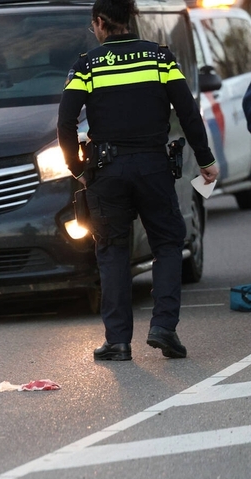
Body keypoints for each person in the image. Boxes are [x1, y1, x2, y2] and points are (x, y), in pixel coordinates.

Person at [57, 0, 219, 362]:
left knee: (112, 251)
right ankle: (164, 327)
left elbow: (66, 124)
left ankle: (117, 342)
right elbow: (188, 111)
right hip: (153, 167)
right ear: (129, 19)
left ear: (100, 22)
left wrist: (78, 170)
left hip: (107, 172)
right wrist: (206, 160)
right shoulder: (160, 59)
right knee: (167, 243)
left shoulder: (87, 66)